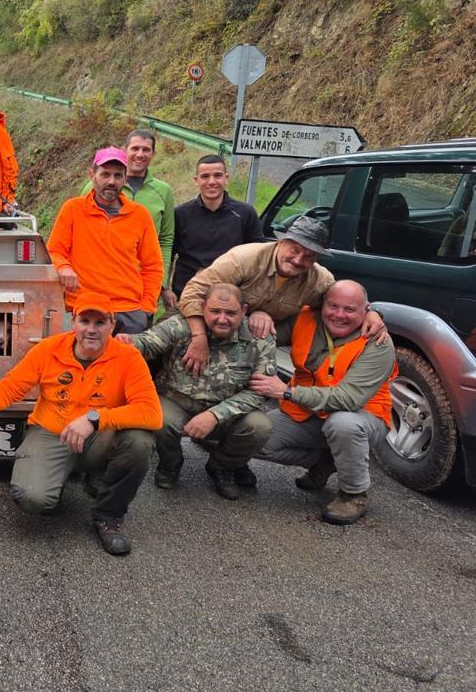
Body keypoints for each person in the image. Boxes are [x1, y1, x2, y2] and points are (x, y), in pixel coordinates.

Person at [0, 292, 161, 555]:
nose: (91, 330)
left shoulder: (128, 358)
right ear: (73, 322)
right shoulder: (48, 349)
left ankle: (108, 516)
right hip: (51, 432)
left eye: (100, 323)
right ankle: (59, 478)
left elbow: (151, 413)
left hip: (100, 436)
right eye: (84, 321)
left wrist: (95, 418)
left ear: (112, 325)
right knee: (32, 499)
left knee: (139, 442)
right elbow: (11, 387)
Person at [249, 281, 396, 525]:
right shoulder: (306, 318)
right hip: (309, 413)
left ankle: (354, 494)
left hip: (361, 417)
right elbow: (265, 334)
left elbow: (347, 400)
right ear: (322, 304)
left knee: (343, 425)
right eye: (333, 306)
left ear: (366, 310)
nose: (339, 315)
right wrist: (261, 314)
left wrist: (286, 392)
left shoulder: (378, 343)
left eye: (349, 310)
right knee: (251, 435)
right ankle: (325, 462)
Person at [117, 282, 275, 499]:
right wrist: (127, 342)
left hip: (227, 410)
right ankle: (170, 463)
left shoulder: (260, 338)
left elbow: (260, 391)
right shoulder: (182, 326)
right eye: (215, 311)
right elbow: (147, 342)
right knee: (158, 418)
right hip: (177, 401)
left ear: (244, 310)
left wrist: (214, 415)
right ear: (202, 307)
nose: (222, 318)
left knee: (259, 426)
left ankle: (222, 467)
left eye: (231, 313)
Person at [177, 216, 385, 375]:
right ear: (281, 242)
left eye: (308, 256)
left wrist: (372, 313)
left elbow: (345, 303)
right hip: (214, 320)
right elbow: (193, 292)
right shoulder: (243, 259)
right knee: (174, 326)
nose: (297, 260)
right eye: (294, 250)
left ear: (316, 259)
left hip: (260, 333)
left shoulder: (320, 279)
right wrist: (199, 338)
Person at [46, 146, 163, 334]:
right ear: (91, 175)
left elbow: (153, 265)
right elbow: (54, 251)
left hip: (128, 311)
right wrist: (64, 268)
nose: (111, 181)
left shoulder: (139, 215)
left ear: (125, 178)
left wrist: (146, 307)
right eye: (105, 174)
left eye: (118, 176)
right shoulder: (73, 209)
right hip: (84, 307)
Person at [81, 130, 173, 307]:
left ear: (153, 154)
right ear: (125, 150)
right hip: (99, 285)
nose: (140, 154)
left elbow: (166, 240)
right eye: (135, 148)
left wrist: (159, 285)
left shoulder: (163, 191)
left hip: (141, 288)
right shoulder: (95, 186)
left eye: (146, 150)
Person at [163, 154, 263, 307]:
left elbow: (258, 259)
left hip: (230, 300)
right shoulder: (180, 214)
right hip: (186, 296)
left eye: (217, 175)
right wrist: (165, 289)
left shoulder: (245, 213)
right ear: (196, 181)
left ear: (226, 178)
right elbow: (167, 253)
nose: (212, 182)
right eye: (205, 176)